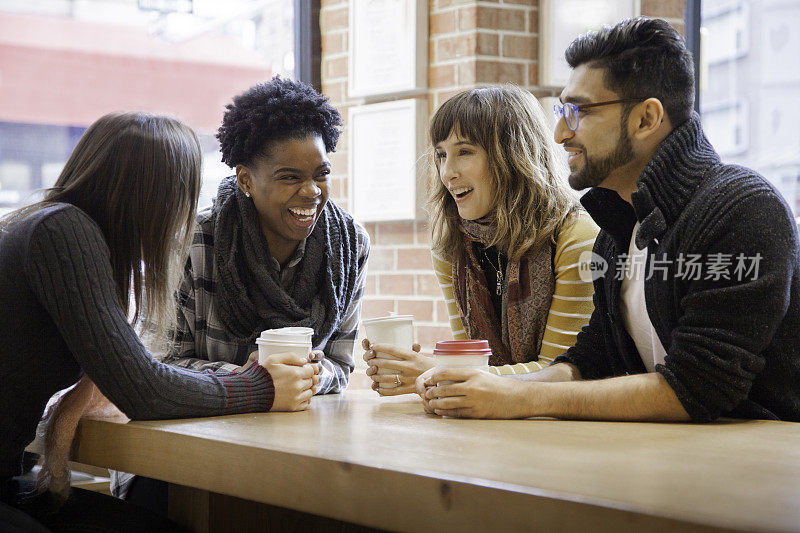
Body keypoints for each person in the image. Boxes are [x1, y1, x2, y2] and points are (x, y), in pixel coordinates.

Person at [418, 17, 800, 422]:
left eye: (578, 111)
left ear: (645, 119)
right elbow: (591, 360)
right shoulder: (618, 231)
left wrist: (521, 399)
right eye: (561, 110)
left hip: (757, 468)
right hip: (666, 463)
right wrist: (487, 388)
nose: (559, 132)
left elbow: (696, 387)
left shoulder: (741, 208)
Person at [0, 112, 319, 532]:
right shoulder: (62, 231)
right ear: (153, 195)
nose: (184, 215)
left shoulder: (52, 226)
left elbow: (129, 376)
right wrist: (260, 385)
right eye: (184, 195)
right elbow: (145, 391)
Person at [114, 77, 369, 509]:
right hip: (181, 454)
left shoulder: (348, 246)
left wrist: (308, 374)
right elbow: (157, 366)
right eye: (290, 177)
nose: (311, 192)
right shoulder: (192, 242)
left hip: (293, 450)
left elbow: (340, 367)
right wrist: (253, 380)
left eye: (321, 174)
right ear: (247, 180)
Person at [364, 84, 599, 395]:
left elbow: (562, 371)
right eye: (441, 154)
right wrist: (416, 368)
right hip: (493, 423)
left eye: (464, 152)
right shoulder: (451, 246)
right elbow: (471, 363)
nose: (447, 172)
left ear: (513, 155)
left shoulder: (577, 237)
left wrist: (439, 371)